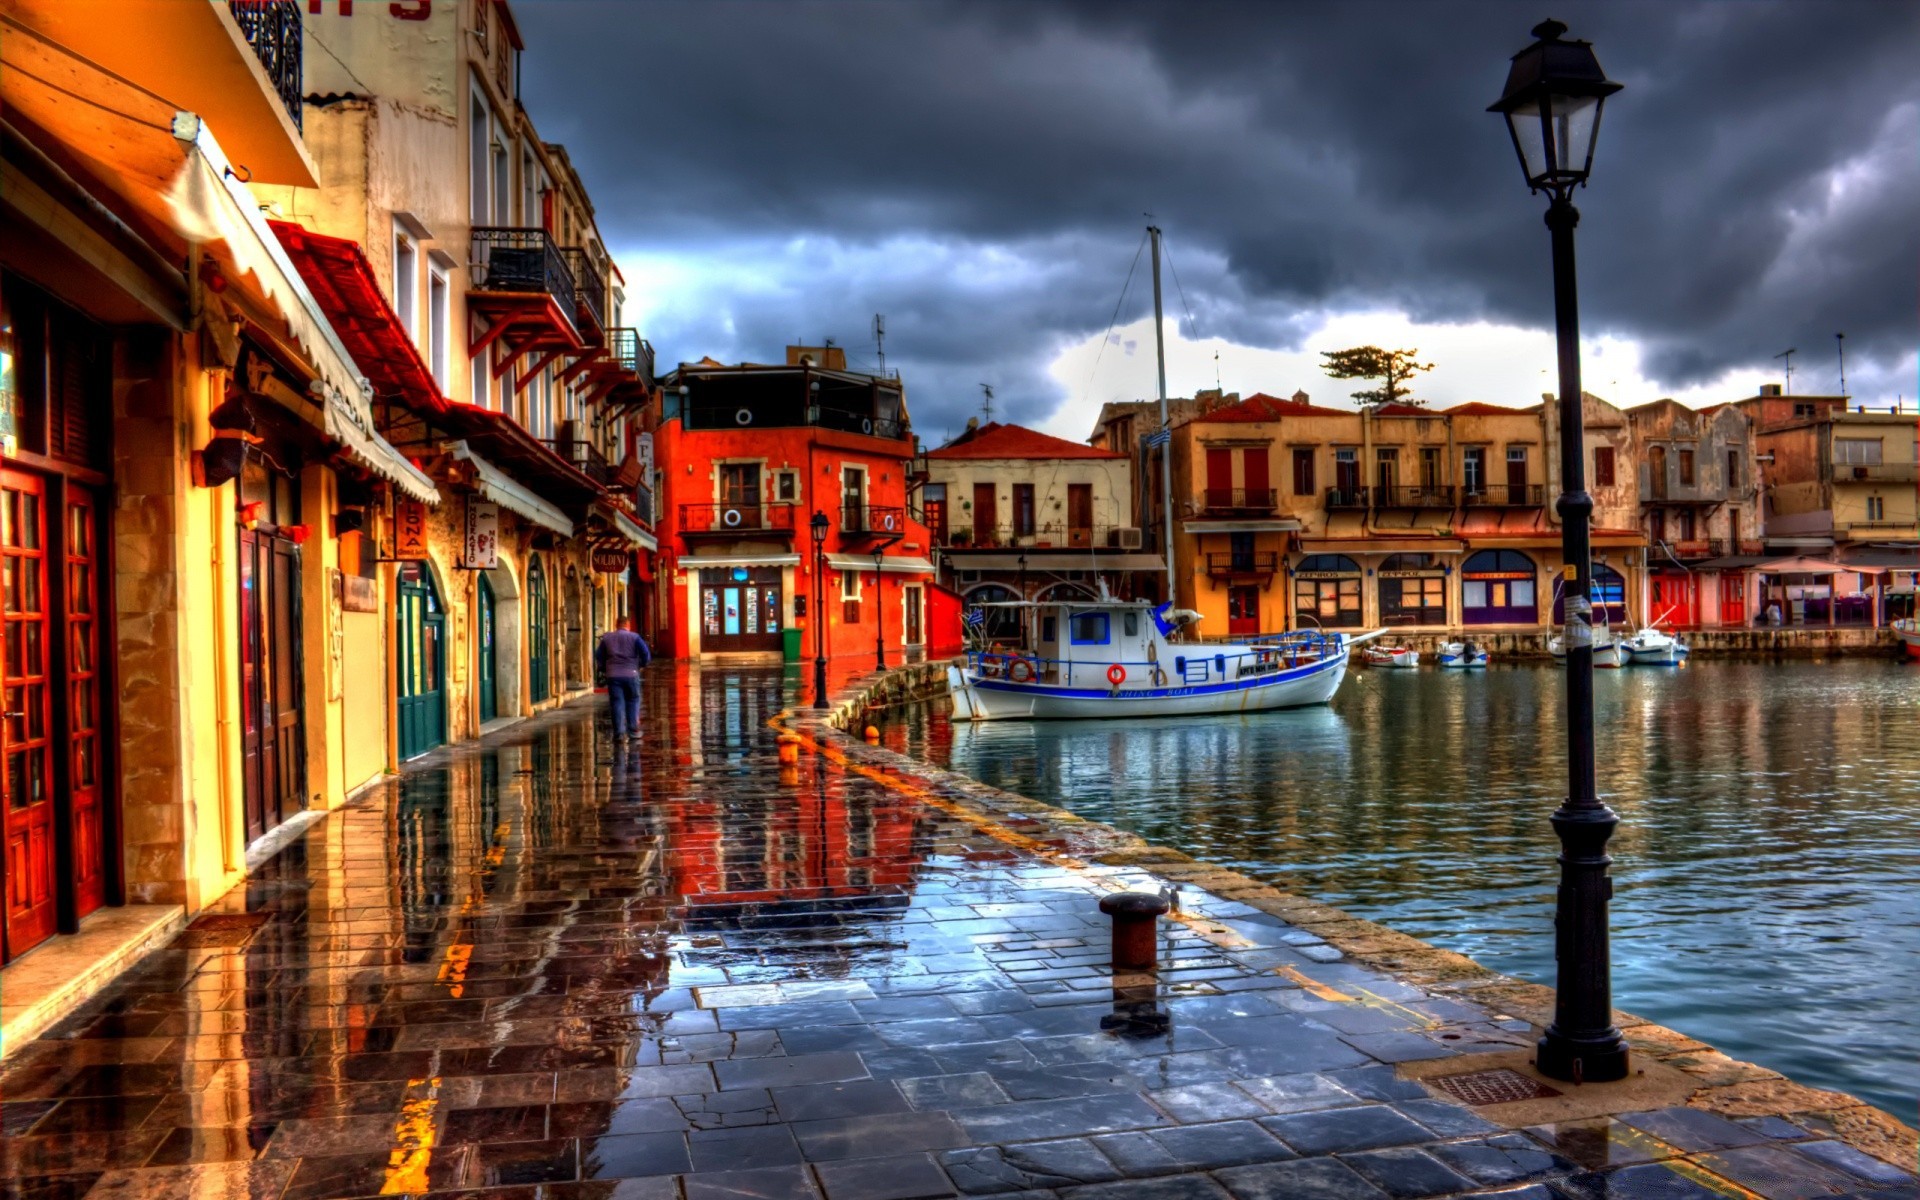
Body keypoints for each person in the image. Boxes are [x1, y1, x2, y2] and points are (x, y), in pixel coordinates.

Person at [594, 618, 651, 739]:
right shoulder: (634, 637)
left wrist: (604, 668)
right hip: (631, 673)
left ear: (616, 625)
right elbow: (645, 653)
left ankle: (619, 733)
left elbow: (599, 655)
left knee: (616, 702)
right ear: (628, 625)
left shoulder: (607, 638)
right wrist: (641, 665)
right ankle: (633, 730)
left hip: (613, 675)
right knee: (633, 700)